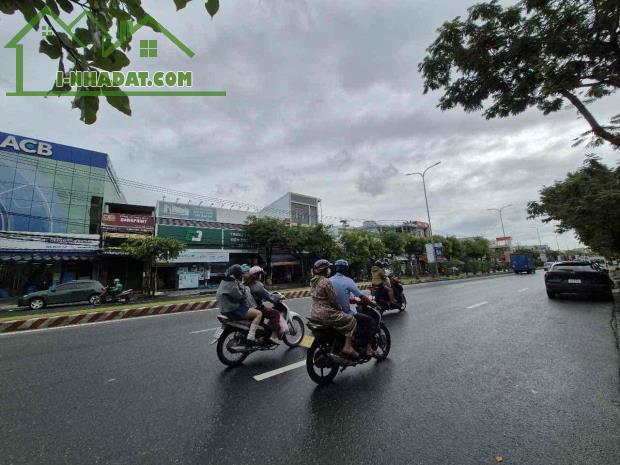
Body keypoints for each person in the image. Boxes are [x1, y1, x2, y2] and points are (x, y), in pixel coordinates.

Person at [309, 259, 358, 358]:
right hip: (326, 313)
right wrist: (339, 309)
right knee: (351, 320)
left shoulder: (312, 281)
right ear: (325, 270)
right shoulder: (326, 281)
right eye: (328, 268)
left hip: (314, 312)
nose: (330, 270)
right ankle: (348, 347)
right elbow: (333, 299)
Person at [330, 259, 377, 356]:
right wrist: (372, 304)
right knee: (369, 321)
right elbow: (361, 296)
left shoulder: (328, 280)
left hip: (330, 313)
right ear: (346, 269)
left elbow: (339, 296)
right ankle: (368, 349)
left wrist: (352, 300)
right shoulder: (348, 280)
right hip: (344, 314)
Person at [216, 264, 263, 342]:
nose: (242, 275)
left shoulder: (224, 280)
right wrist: (244, 292)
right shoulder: (232, 282)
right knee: (258, 313)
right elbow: (239, 296)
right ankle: (251, 335)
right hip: (232, 309)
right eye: (241, 273)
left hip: (223, 309)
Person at [244, 266, 282, 344]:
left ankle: (261, 335)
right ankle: (274, 336)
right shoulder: (257, 285)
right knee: (275, 313)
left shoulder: (245, 284)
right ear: (257, 275)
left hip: (247, 308)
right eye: (260, 274)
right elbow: (268, 296)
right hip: (257, 308)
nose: (261, 276)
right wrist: (278, 298)